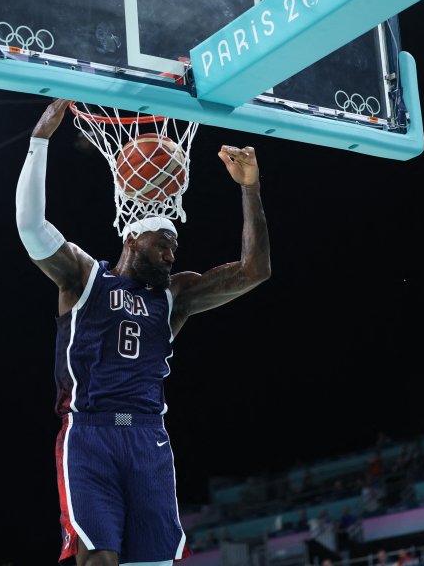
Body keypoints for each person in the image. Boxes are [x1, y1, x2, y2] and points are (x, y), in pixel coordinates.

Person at [16, 99, 271, 565]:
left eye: (174, 247)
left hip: (149, 439)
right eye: (163, 244)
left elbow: (254, 270)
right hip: (90, 434)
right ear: (132, 239)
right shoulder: (85, 278)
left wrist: (250, 190)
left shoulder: (176, 296)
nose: (172, 254)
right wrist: (39, 142)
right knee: (100, 559)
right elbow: (31, 227)